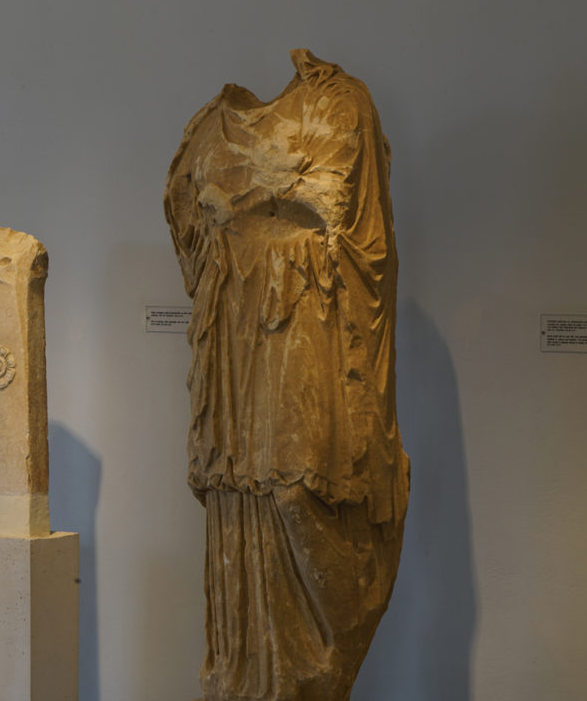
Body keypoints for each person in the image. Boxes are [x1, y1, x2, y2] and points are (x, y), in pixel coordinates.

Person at [164, 50, 410, 701]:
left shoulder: (342, 103)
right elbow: (191, 238)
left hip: (311, 329)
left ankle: (304, 677)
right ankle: (243, 678)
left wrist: (253, 204)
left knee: (300, 492)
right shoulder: (209, 128)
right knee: (237, 495)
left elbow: (347, 225)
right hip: (235, 347)